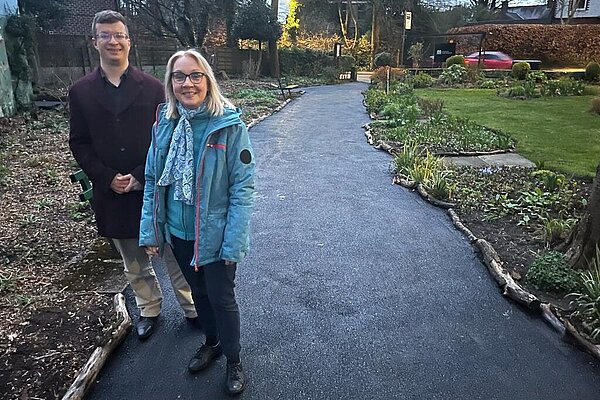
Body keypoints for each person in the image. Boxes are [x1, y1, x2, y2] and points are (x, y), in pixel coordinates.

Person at [68, 10, 197, 340]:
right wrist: (106, 177)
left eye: (119, 35)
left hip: (153, 186)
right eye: (106, 35)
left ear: (129, 40)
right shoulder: (80, 91)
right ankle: (149, 308)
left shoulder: (154, 88)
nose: (113, 41)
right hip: (111, 191)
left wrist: (141, 175)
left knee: (174, 255)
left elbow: (168, 138)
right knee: (133, 260)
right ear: (94, 41)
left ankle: (192, 308)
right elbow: (79, 143)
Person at [139, 49, 255, 395]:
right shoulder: (165, 124)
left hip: (216, 236)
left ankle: (233, 359)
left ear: (207, 80)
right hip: (179, 232)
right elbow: (151, 179)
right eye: (179, 76)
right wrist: (152, 230)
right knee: (199, 295)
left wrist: (234, 242)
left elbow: (243, 188)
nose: (187, 83)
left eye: (195, 75)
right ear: (170, 82)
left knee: (221, 298)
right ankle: (212, 341)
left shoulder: (229, 125)